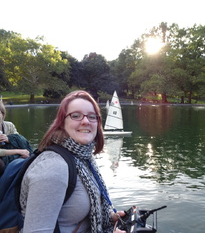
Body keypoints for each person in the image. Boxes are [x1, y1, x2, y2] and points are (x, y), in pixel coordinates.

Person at [20, 90, 126, 233]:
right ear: (62, 123)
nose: (85, 121)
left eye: (92, 116)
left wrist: (109, 217)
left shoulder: (84, 159)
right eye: (75, 116)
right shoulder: (52, 167)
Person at [0, 101, 31, 175]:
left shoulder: (9, 125)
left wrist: (9, 139)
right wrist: (18, 151)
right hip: (4, 157)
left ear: (2, 114)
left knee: (27, 158)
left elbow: (20, 141)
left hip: (10, 155)